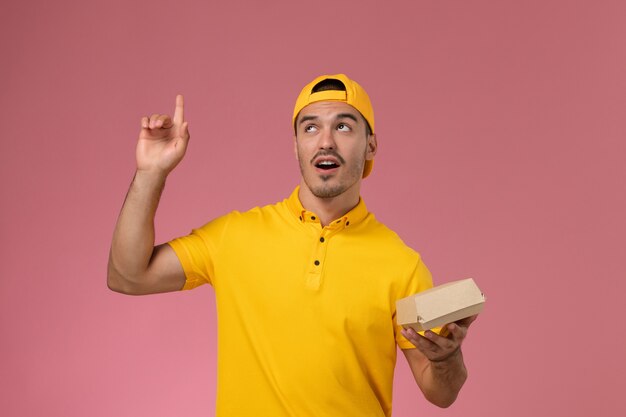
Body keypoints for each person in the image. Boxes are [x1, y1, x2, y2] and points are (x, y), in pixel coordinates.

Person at [107, 74, 478, 416]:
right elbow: (128, 276)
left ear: (371, 145)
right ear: (296, 144)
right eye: (311, 127)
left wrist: (447, 360)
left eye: (344, 126)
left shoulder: (402, 264)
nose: (326, 141)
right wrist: (150, 173)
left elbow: (440, 393)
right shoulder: (235, 236)